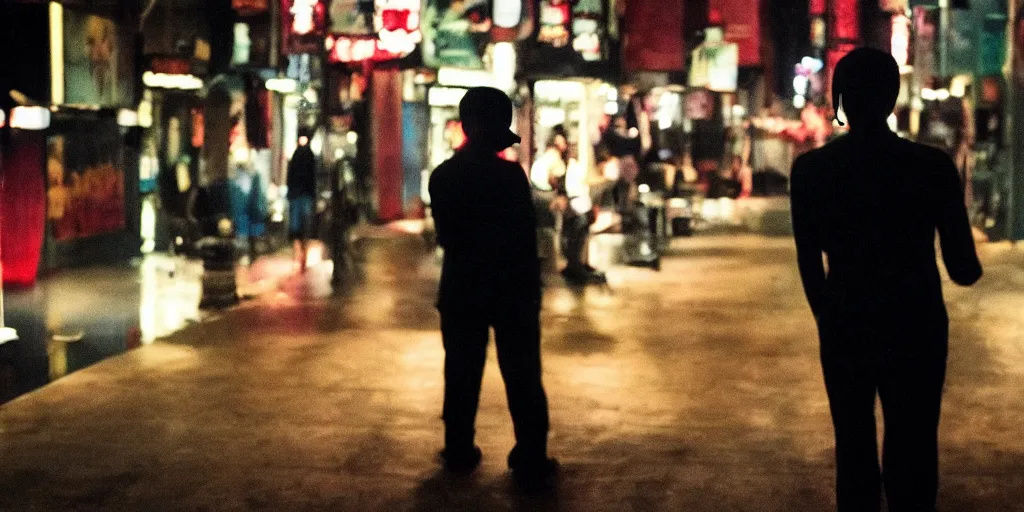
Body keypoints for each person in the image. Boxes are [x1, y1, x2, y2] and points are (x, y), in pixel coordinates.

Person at [790, 48, 983, 512]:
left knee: (853, 445)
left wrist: (830, 315)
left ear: (839, 99)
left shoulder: (811, 172)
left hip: (846, 321)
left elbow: (809, 264)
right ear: (893, 98)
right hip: (915, 322)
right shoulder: (932, 167)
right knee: (913, 444)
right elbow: (963, 269)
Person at [428, 87, 557, 487]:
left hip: (463, 288)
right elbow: (524, 239)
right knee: (521, 374)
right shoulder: (510, 177)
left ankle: (459, 448)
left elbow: (447, 237)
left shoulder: (444, 177)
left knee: (462, 372)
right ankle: (530, 453)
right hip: (511, 289)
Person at [287, 131, 318, 272]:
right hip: (299, 195)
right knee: (297, 227)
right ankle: (298, 254)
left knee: (302, 225)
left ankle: (301, 254)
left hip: (303, 195)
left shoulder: (307, 156)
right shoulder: (302, 155)